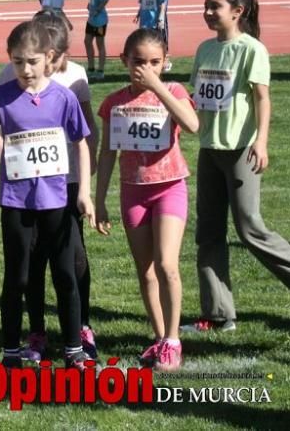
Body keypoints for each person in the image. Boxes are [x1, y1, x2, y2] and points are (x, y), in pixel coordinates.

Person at [182, 0, 290, 333]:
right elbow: (200, 97)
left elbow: (262, 99)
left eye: (215, 6)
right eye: (206, 5)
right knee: (208, 233)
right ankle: (218, 313)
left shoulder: (252, 49)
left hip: (241, 150)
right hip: (210, 149)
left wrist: (261, 142)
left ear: (237, 11)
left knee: (250, 229)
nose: (207, 11)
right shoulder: (205, 49)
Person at [0, 19, 95, 371]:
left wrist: (83, 192)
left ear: (49, 57)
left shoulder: (64, 97)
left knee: (64, 274)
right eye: (17, 62)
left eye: (32, 61)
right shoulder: (1, 97)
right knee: (18, 276)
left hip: (56, 199)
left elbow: (81, 144)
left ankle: (73, 349)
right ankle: (11, 351)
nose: (25, 69)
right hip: (15, 201)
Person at [95, 28, 198, 371]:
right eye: (139, 62)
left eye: (155, 62)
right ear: (124, 61)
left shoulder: (174, 90)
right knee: (147, 271)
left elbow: (193, 124)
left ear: (166, 62)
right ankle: (159, 337)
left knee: (168, 264)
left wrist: (156, 87)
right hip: (133, 191)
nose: (146, 68)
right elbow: (107, 152)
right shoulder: (114, 102)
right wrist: (99, 200)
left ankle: (173, 340)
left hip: (169, 187)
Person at [85, 0, 109, 81]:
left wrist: (97, 10)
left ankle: (100, 70)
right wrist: (91, 6)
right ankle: (91, 68)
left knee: (100, 44)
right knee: (87, 41)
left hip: (100, 21)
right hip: (91, 20)